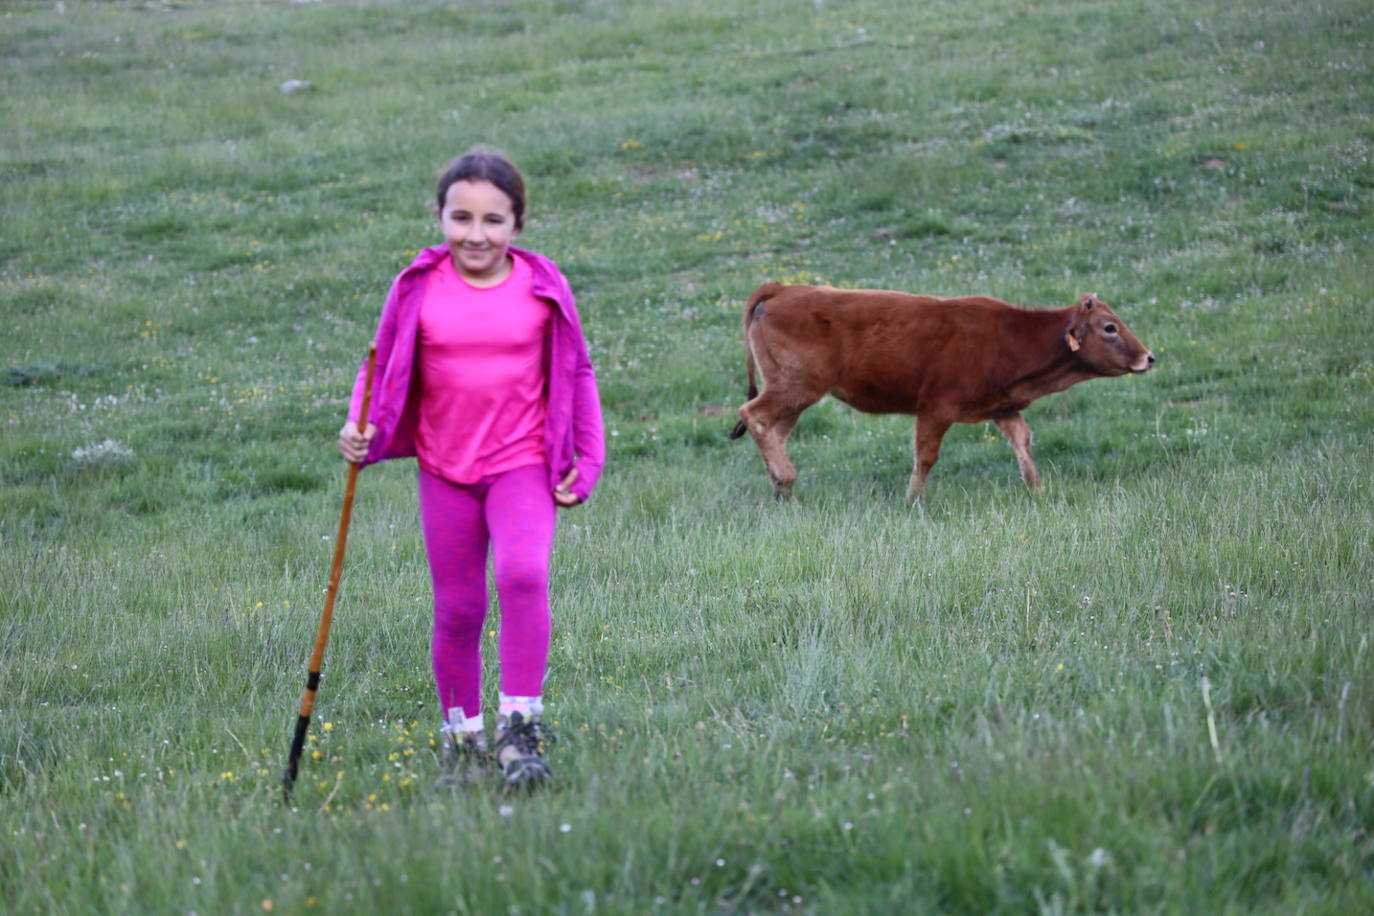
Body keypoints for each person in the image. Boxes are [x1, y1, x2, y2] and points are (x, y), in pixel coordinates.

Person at [338, 147, 605, 789]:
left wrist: (587, 459)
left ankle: (520, 730)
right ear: (440, 217)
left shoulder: (542, 285)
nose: (475, 234)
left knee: (522, 572)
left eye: (493, 220)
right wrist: (358, 425)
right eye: (461, 218)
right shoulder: (417, 286)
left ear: (518, 223)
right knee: (458, 609)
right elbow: (382, 363)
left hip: (523, 462)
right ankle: (462, 740)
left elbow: (578, 370)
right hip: (444, 466)